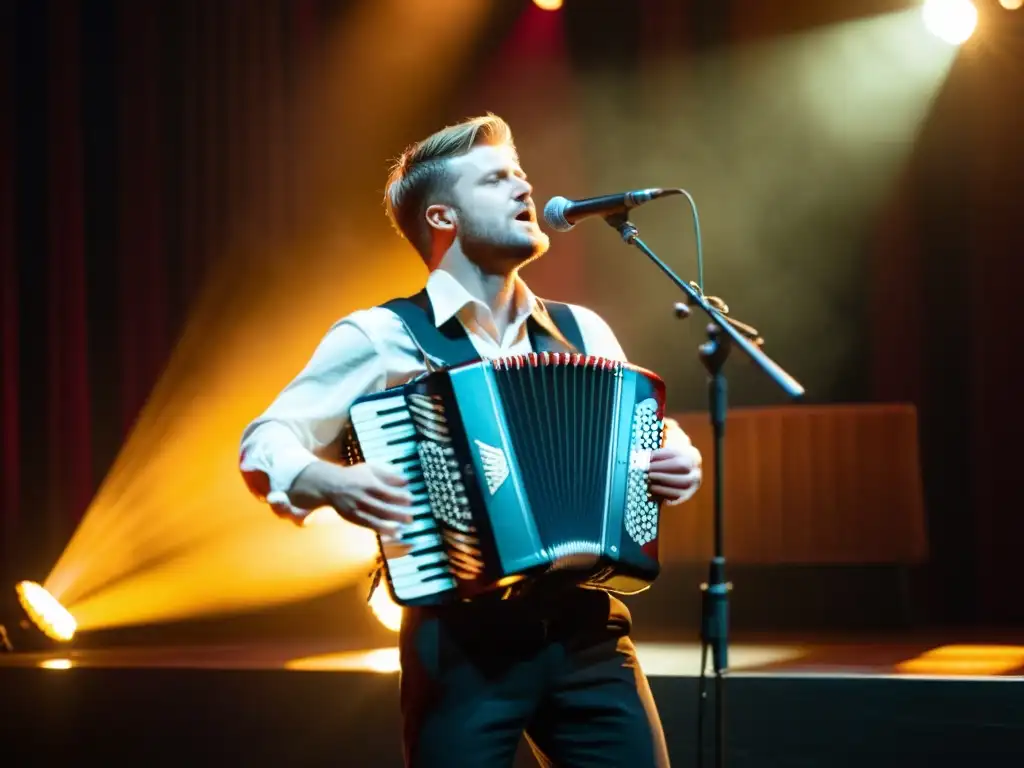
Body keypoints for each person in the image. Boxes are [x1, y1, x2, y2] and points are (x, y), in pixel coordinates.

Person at [239, 114, 703, 768]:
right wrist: (328, 482)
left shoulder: (582, 330)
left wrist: (677, 456)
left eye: (520, 174)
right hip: (459, 642)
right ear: (441, 218)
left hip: (586, 632)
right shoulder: (381, 336)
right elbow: (265, 441)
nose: (524, 188)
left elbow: (643, 434)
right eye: (495, 179)